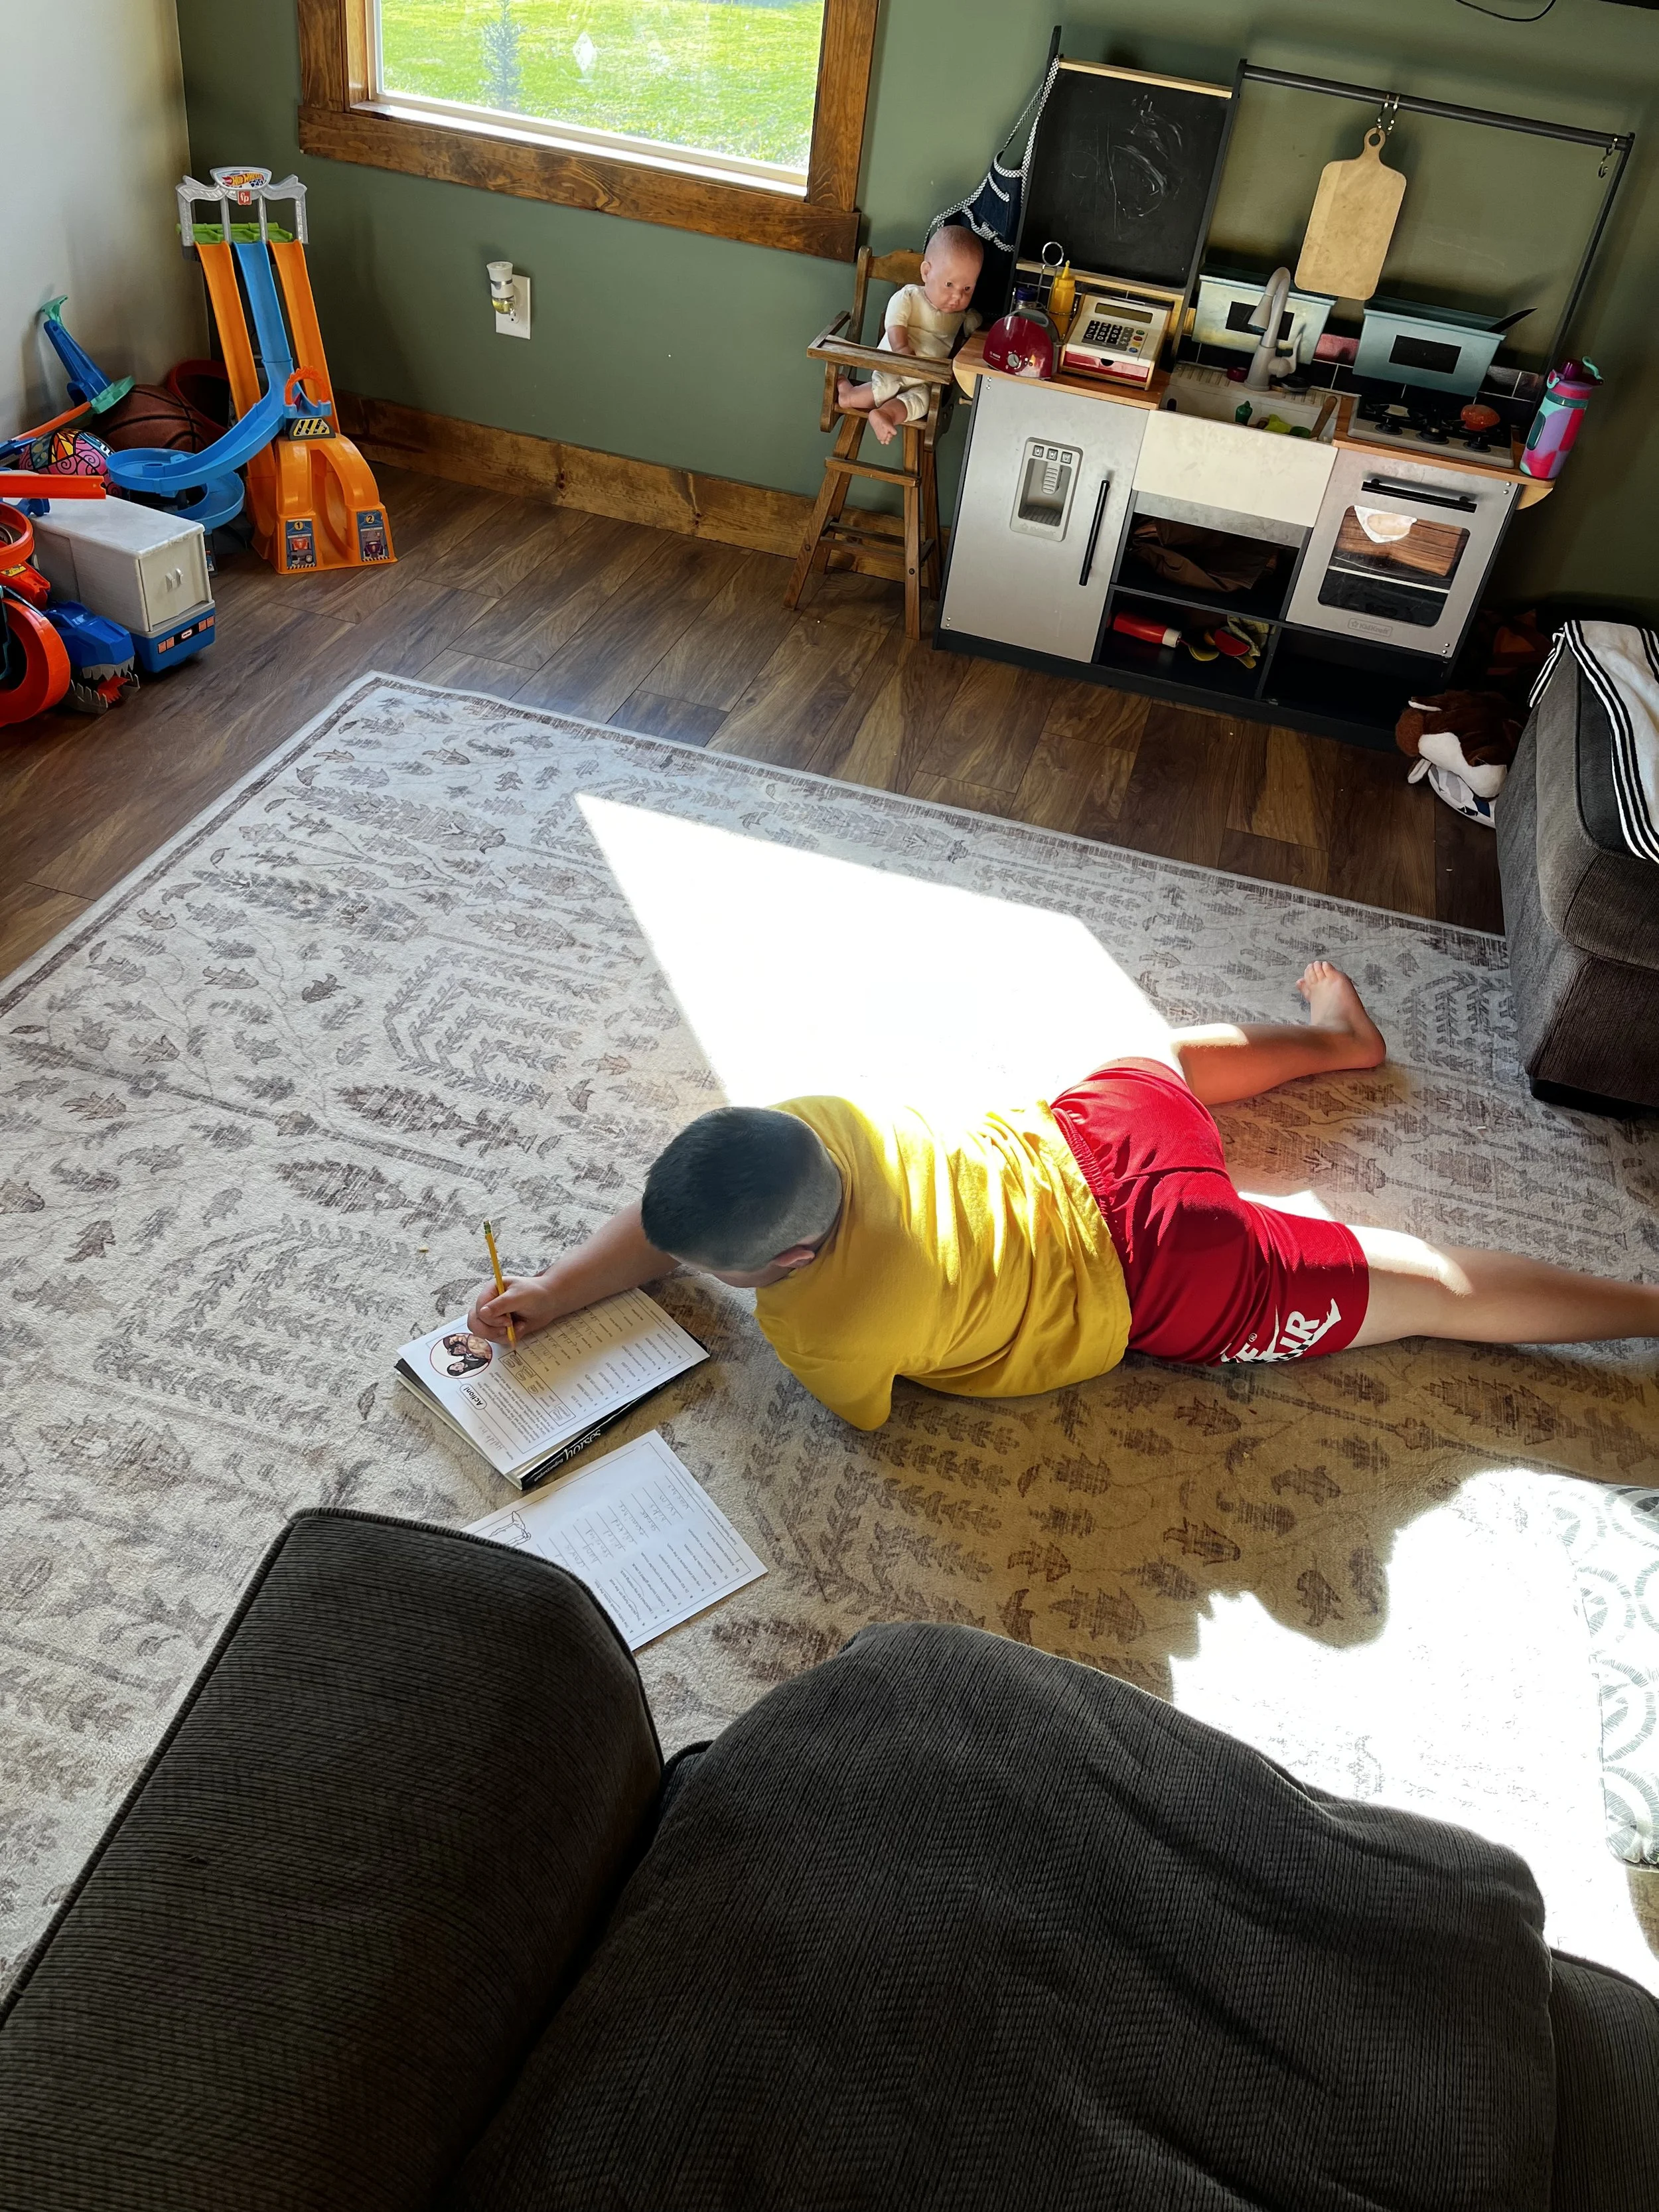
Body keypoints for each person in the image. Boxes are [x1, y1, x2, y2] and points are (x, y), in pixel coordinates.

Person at [467, 962, 1659, 1430]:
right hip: (1097, 1143)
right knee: (1164, 1060)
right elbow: (676, 1219)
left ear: (777, 1269)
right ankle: (1337, 1043)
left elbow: (876, 1415)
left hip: (1160, 1284)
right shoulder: (815, 1122)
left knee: (1426, 1292)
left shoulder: (817, 1322)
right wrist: (561, 1287)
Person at [835, 226, 983, 447]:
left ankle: (886, 415)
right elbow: (895, 320)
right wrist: (901, 347)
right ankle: (850, 396)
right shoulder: (911, 295)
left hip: (925, 378)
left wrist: (977, 325)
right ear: (926, 272)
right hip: (896, 363)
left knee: (920, 402)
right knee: (884, 386)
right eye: (950, 284)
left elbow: (977, 330)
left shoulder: (961, 317)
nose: (957, 296)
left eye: (968, 289)